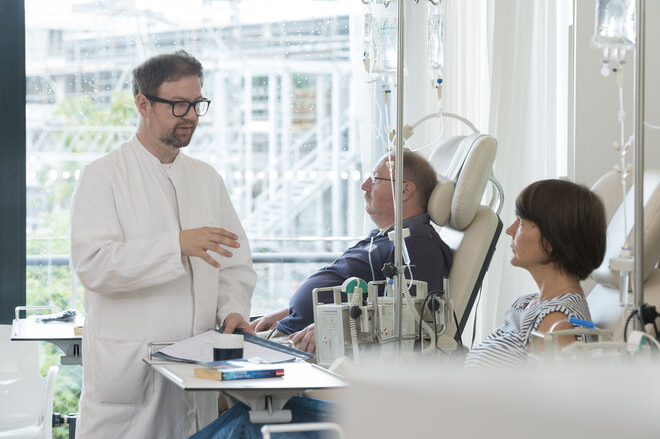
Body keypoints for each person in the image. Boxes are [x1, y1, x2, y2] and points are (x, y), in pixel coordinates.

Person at [69, 50, 256, 438]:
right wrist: (176, 246)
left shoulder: (207, 179)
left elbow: (234, 264)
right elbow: (94, 266)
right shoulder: (103, 177)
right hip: (129, 376)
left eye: (197, 104)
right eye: (178, 105)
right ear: (143, 104)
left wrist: (233, 309)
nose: (190, 115)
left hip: (197, 369)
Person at [251, 149, 453, 353]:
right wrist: (284, 314)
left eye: (375, 179)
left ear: (405, 191)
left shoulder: (416, 243)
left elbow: (408, 317)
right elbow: (351, 292)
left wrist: (334, 326)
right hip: (288, 331)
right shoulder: (385, 237)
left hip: (312, 346)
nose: (364, 186)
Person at [465, 179, 606, 369]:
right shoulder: (526, 304)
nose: (509, 230)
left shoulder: (558, 320)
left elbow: (544, 397)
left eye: (521, 222)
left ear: (552, 238)